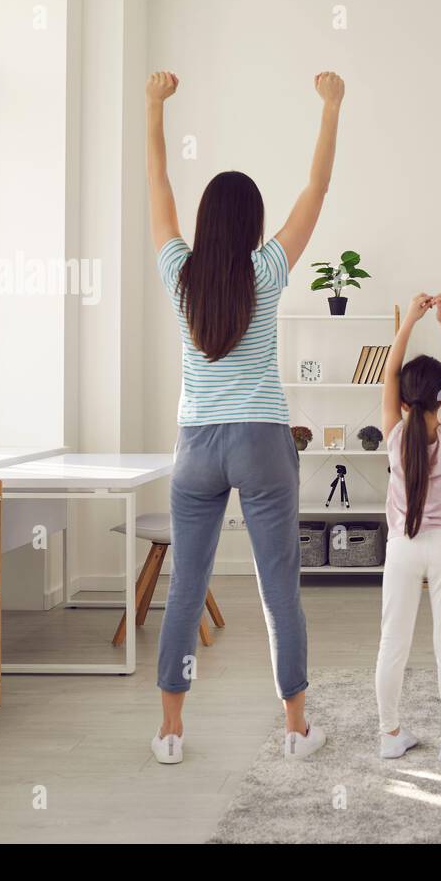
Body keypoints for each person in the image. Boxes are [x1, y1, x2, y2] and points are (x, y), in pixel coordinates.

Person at [145, 69, 345, 764]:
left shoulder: (179, 271)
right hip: (261, 439)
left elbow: (158, 187)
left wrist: (153, 106)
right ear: (254, 224)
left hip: (196, 445)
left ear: (205, 222)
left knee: (186, 589)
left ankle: (171, 731)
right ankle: (295, 729)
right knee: (277, 588)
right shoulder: (267, 269)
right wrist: (330, 107)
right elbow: (315, 192)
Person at [374, 293, 441, 763]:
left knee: (392, 643)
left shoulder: (393, 435)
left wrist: (409, 323)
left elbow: (387, 374)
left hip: (402, 547)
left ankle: (389, 736)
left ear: (401, 398)